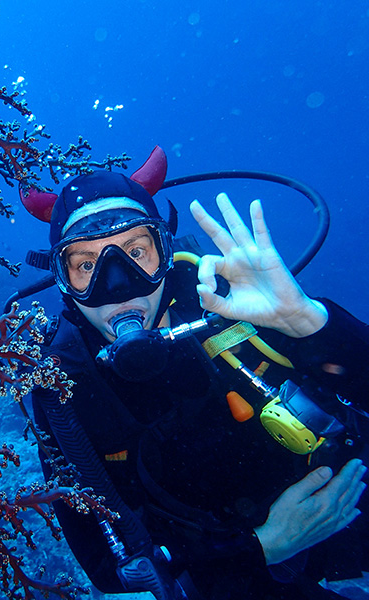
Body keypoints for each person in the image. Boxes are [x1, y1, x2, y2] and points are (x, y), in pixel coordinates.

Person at [26, 153, 369, 600]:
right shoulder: (66, 386)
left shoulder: (236, 303)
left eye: (135, 253)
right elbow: (110, 569)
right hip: (241, 582)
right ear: (62, 280)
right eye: (86, 266)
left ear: (165, 252)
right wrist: (261, 548)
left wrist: (310, 323)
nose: (117, 285)